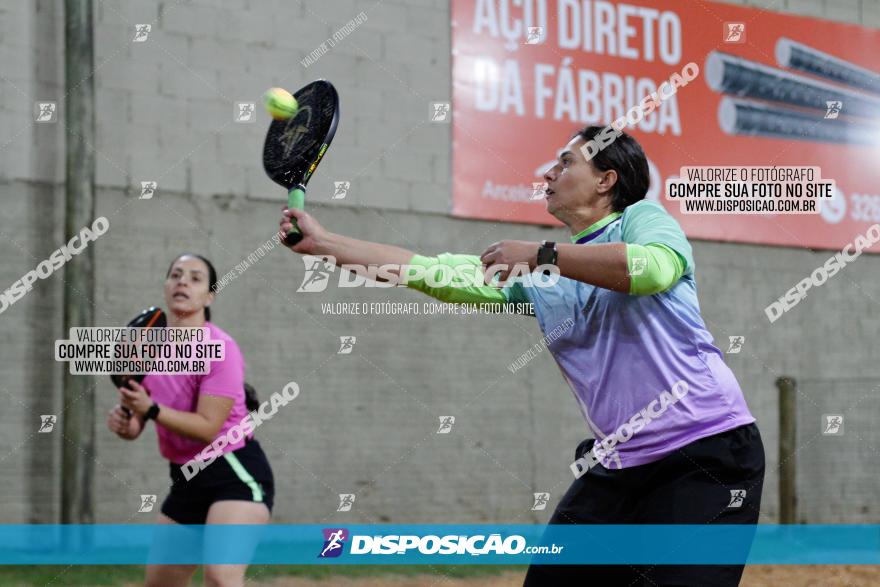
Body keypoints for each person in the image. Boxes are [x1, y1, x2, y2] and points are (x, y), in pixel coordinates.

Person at [279, 125, 765, 586]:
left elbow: (652, 271)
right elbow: (434, 273)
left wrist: (544, 253)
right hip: (617, 467)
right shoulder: (543, 278)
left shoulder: (642, 219)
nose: (548, 174)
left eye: (565, 162)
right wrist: (324, 243)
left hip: (706, 456)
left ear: (606, 180)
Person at [107, 253, 274, 587]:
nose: (182, 281)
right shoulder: (149, 348)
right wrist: (129, 424)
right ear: (166, 286)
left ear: (209, 296)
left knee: (221, 578)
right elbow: (142, 419)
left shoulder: (221, 348)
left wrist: (150, 409)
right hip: (185, 478)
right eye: (176, 275)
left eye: (195, 278)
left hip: (233, 473)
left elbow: (207, 427)